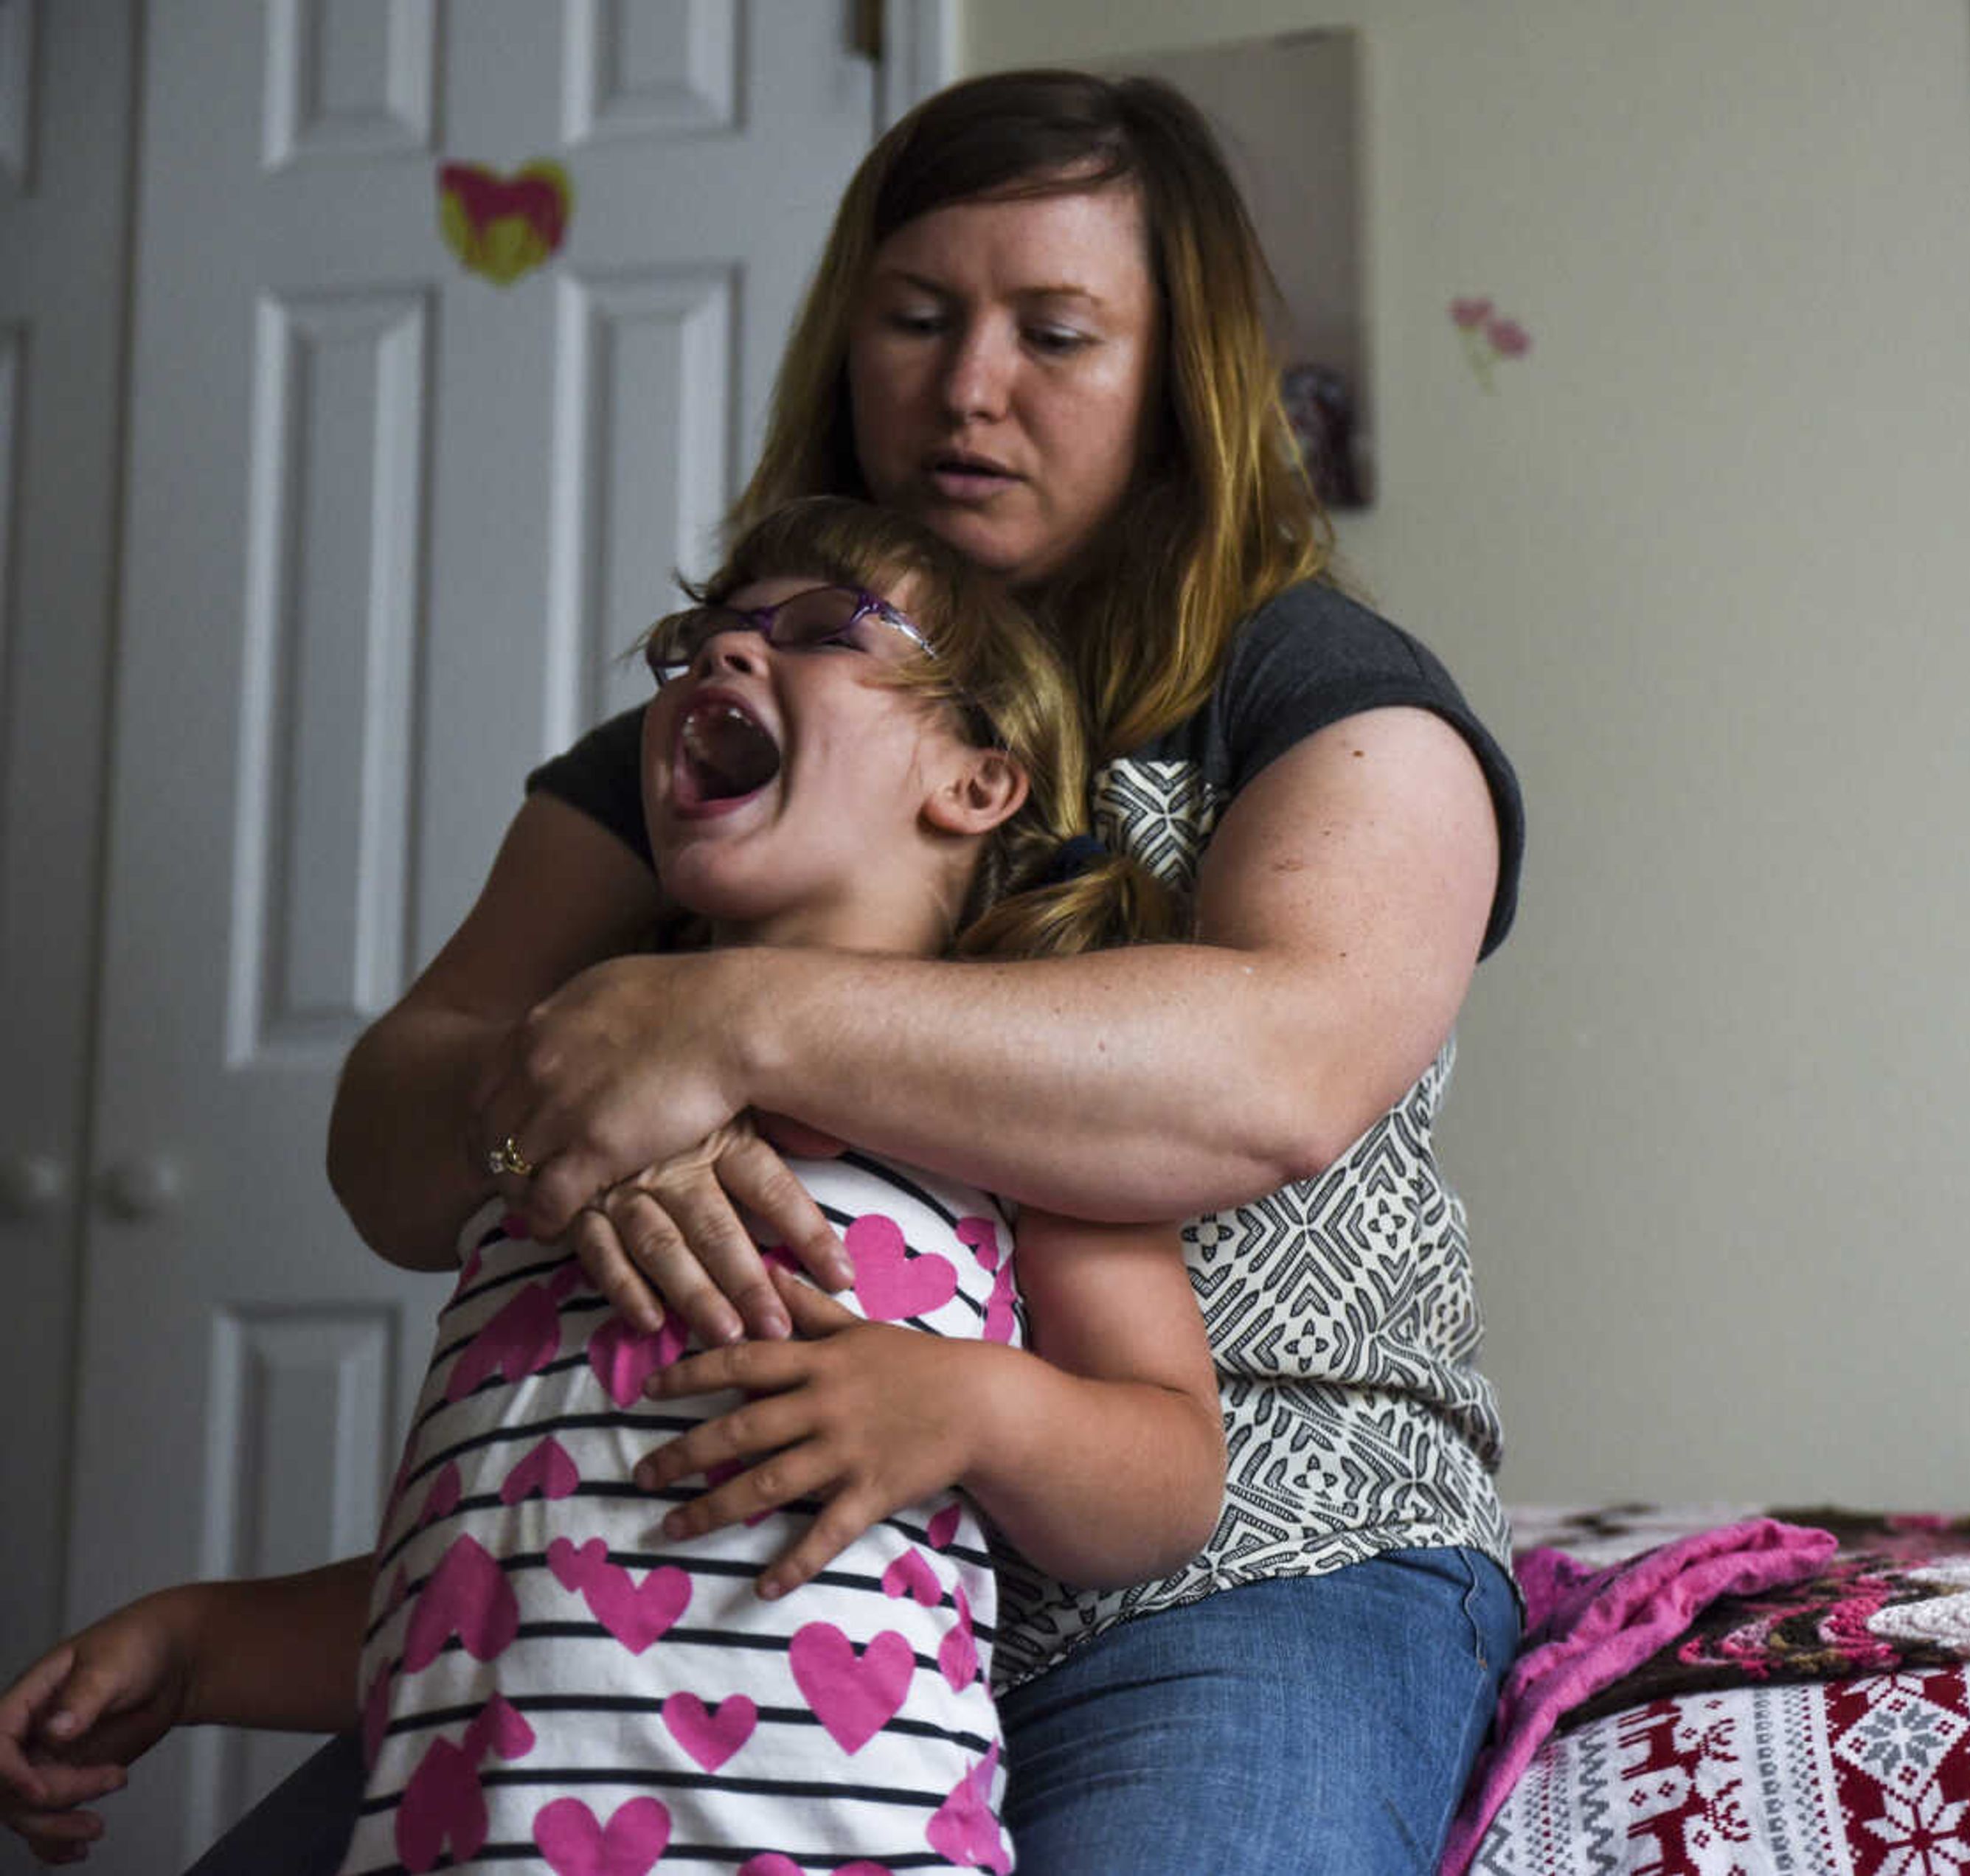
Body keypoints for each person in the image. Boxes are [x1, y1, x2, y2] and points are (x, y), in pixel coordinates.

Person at [45, 64, 1527, 1874]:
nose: (968, 385)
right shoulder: (706, 746)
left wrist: (714, 1018)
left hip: (1246, 1564)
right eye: (915, 318)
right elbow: (396, 1142)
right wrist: (577, 1112)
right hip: (739, 1564)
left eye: (1055, 333)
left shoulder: (1314, 687)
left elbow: (1279, 1072)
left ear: (1178, 379)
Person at [1, 498, 1227, 1874]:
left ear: (977, 782)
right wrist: (197, 1643)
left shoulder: (1017, 1104)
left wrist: (974, 1408)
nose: (719, 663)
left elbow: (1171, 1474)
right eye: (696, 642)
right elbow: (498, 1569)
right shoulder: (557, 1106)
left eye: (823, 632)